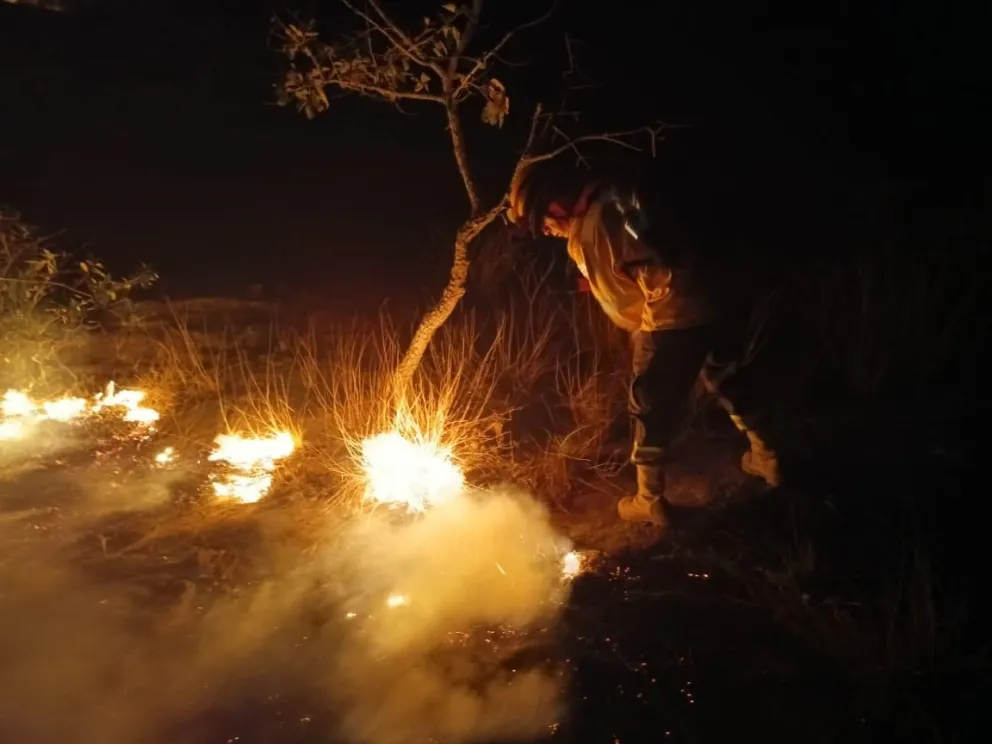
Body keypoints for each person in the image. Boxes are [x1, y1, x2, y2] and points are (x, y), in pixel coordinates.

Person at [506, 159, 781, 529]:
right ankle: (769, 456)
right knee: (727, 375)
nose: (547, 230)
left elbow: (622, 299)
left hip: (670, 313)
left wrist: (644, 333)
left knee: (650, 402)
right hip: (712, 294)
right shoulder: (614, 197)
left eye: (543, 221)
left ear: (553, 202)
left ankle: (649, 500)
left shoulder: (591, 231)